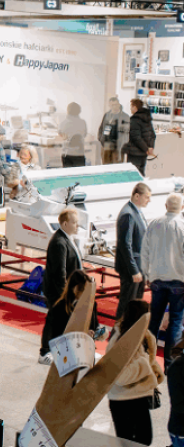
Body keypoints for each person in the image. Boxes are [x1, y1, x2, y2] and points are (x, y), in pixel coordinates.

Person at [108, 300, 163, 445]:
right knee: (130, 442)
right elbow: (121, 377)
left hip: (138, 398)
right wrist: (145, 364)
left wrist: (154, 371)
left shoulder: (144, 336)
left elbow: (145, 360)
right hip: (123, 401)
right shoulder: (120, 341)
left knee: (144, 440)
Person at [144, 194, 184, 350]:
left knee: (154, 320)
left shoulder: (154, 224)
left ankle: (148, 355)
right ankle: (170, 362)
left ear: (165, 206)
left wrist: (147, 274)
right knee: (175, 321)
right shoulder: (182, 226)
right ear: (181, 208)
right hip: (178, 280)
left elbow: (145, 251)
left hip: (157, 279)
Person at [39, 270, 101, 365]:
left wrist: (97, 333)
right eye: (83, 290)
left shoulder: (92, 304)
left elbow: (94, 326)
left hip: (81, 346)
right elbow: (58, 334)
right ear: (75, 289)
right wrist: (82, 333)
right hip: (64, 348)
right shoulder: (61, 307)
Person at [115, 183, 152, 322]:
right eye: (147, 197)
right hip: (132, 269)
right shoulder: (128, 214)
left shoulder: (136, 212)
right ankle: (118, 335)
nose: (149, 200)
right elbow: (126, 245)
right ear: (137, 196)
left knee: (135, 305)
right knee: (127, 305)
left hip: (139, 266)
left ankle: (129, 333)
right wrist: (134, 270)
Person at [43, 208, 84, 307]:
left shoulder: (67, 238)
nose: (77, 226)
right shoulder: (59, 243)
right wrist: (65, 297)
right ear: (65, 224)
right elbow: (59, 273)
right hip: (60, 296)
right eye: (74, 223)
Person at [124, 98, 157, 176]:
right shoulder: (147, 119)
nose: (130, 108)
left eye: (131, 106)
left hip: (135, 153)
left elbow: (136, 137)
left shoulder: (134, 120)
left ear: (135, 107)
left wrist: (146, 148)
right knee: (141, 174)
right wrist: (150, 147)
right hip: (143, 154)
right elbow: (152, 135)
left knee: (133, 175)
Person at [99, 97, 130, 165]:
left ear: (119, 104)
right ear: (109, 106)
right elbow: (101, 128)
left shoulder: (125, 116)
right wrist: (101, 140)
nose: (114, 107)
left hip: (118, 147)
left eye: (115, 104)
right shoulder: (107, 115)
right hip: (106, 145)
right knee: (105, 167)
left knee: (116, 167)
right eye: (112, 105)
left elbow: (126, 133)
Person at [59, 102, 89, 168]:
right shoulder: (82, 122)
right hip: (79, 153)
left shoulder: (63, 123)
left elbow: (60, 134)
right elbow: (84, 134)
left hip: (66, 153)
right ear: (79, 111)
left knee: (67, 175)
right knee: (79, 175)